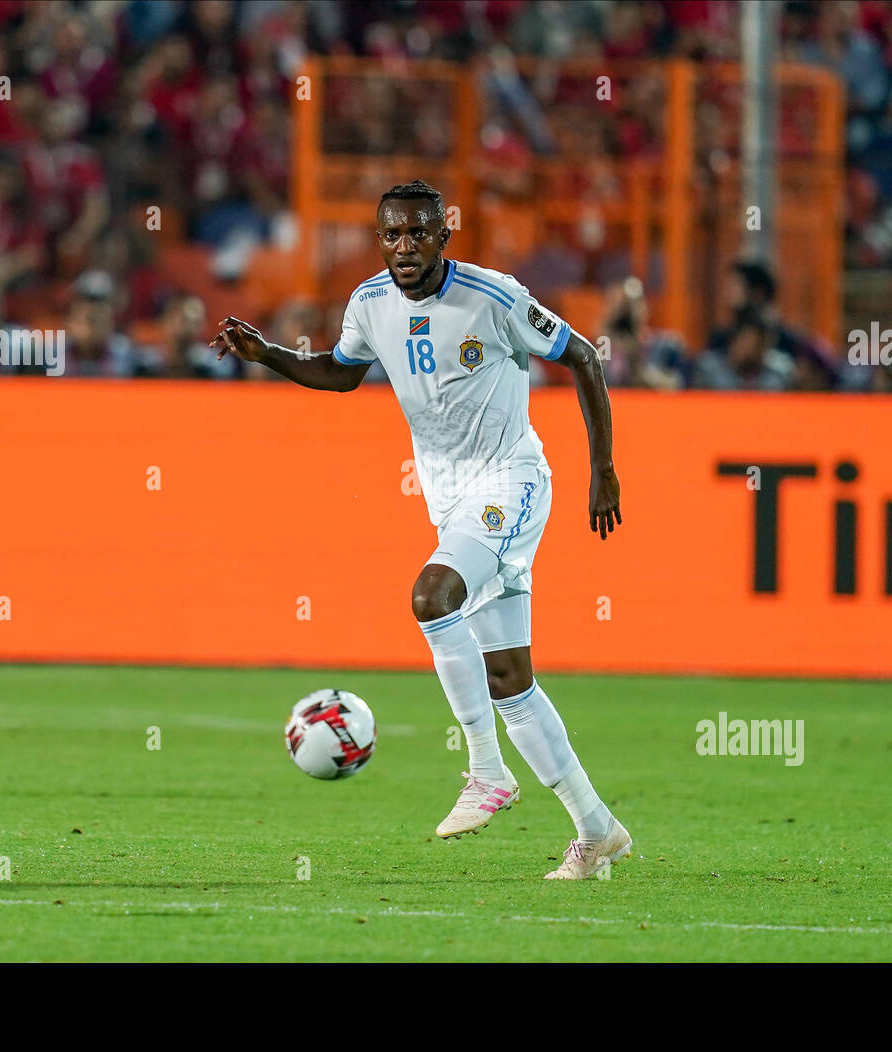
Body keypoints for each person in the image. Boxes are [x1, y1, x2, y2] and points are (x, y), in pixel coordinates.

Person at [211, 180, 630, 879]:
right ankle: (597, 829)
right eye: (391, 235)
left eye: (417, 233)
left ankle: (485, 772)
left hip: (512, 482)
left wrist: (604, 470)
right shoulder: (370, 303)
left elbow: (583, 356)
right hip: (451, 498)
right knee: (510, 680)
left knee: (432, 597)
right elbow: (342, 375)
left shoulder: (493, 297)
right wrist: (269, 356)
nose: (403, 247)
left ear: (443, 236)